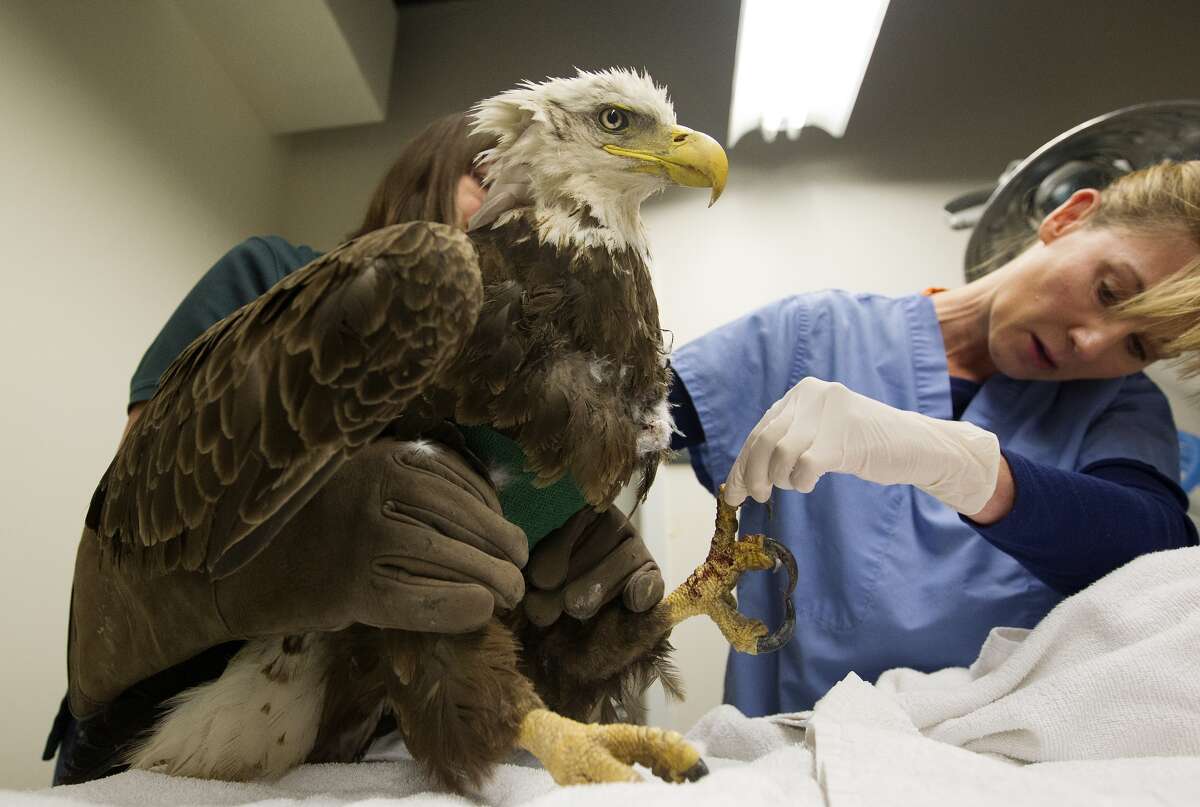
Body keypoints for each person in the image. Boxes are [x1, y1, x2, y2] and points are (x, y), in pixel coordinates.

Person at [47, 112, 663, 784]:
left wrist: (555, 619)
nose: (518, 198)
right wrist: (305, 547)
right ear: (420, 180)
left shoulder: (527, 392)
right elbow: (128, 520)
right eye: (486, 175)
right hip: (158, 714)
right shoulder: (274, 273)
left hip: (352, 755)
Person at [668, 160, 1200, 716]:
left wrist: (964, 468)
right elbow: (619, 427)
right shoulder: (811, 336)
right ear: (1069, 217)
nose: (1091, 343)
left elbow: (1154, 562)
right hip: (791, 740)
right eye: (1110, 292)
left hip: (992, 752)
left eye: (1138, 346)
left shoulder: (1119, 404)